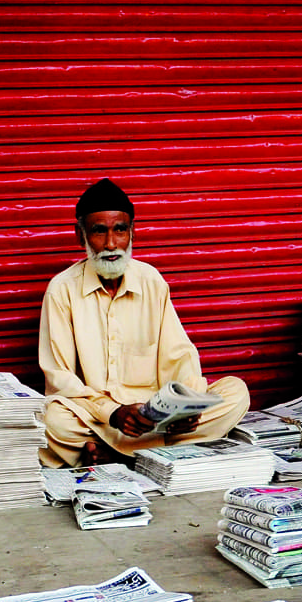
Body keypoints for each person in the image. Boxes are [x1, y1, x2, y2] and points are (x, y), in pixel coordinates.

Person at [37, 178, 249, 467]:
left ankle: (118, 458)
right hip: (103, 417)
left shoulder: (151, 281)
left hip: (154, 418)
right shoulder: (62, 289)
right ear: (80, 235)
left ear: (132, 232)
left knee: (235, 392)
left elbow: (179, 356)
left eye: (120, 230)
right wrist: (114, 412)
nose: (111, 244)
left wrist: (187, 406)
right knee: (53, 420)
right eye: (99, 232)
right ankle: (154, 457)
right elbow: (59, 378)